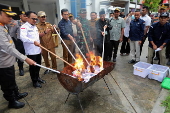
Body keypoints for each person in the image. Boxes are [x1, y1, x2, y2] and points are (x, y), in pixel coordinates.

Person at [0, 3, 35, 109]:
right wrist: (25, 58)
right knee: (7, 83)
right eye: (8, 16)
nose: (11, 18)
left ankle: (16, 94)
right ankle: (11, 101)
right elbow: (8, 48)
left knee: (12, 80)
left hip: (9, 61)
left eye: (11, 16)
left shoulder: (3, 25)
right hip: (3, 63)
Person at [20, 11, 45, 88]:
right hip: (31, 52)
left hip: (37, 50)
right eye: (33, 19)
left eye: (36, 19)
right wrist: (33, 42)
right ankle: (34, 81)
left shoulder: (34, 26)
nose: (35, 20)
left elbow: (37, 38)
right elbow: (23, 38)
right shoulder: (24, 27)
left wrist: (40, 47)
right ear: (27, 18)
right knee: (33, 67)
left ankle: (37, 78)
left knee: (38, 65)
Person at [8, 11, 27, 76]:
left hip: (28, 42)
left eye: (26, 16)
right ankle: (21, 69)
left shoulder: (28, 23)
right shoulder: (16, 23)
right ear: (20, 16)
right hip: (20, 42)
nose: (26, 17)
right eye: (24, 16)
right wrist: (17, 40)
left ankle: (31, 67)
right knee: (20, 56)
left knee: (29, 55)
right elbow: (12, 33)